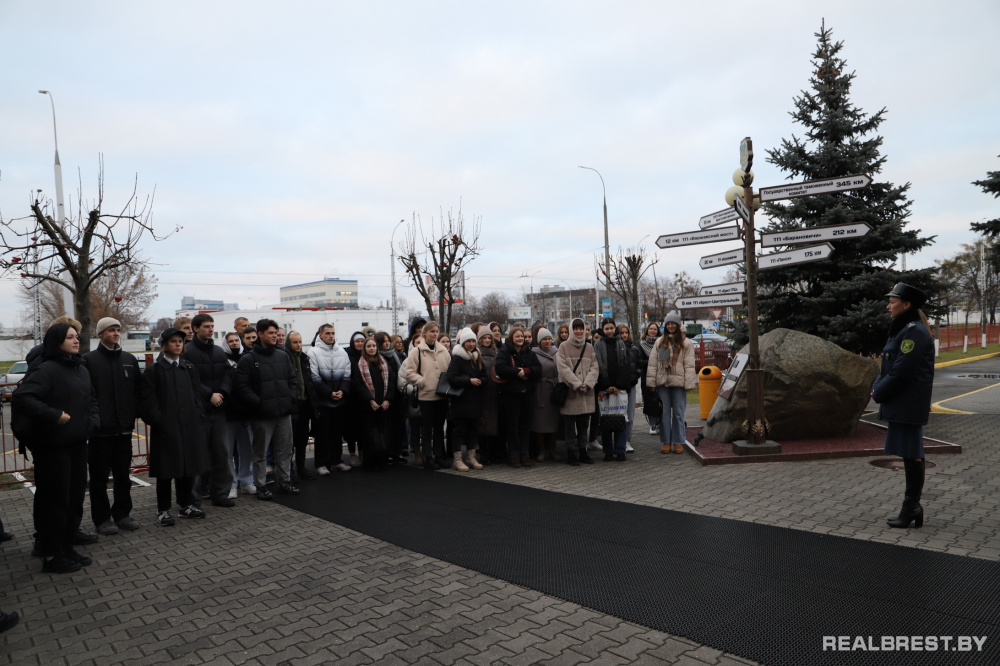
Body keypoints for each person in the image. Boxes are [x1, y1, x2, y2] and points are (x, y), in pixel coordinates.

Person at [13, 323, 98, 572]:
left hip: (78, 444)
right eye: (70, 337)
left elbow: (92, 399)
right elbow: (23, 397)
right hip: (53, 447)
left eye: (77, 336)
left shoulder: (80, 368)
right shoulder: (46, 369)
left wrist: (93, 420)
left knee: (74, 498)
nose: (76, 340)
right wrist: (54, 415)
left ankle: (67, 548)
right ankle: (51, 554)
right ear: (56, 341)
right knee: (56, 501)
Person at [872, 283, 934, 529]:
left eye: (892, 302)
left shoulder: (914, 332)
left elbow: (901, 372)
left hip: (908, 403)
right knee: (910, 453)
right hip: (903, 402)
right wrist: (877, 386)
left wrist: (878, 392)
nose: (888, 306)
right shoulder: (902, 329)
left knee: (913, 453)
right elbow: (888, 366)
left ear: (906, 305)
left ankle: (911, 508)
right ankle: (912, 508)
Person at [140, 328, 209, 527]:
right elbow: (148, 402)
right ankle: (163, 509)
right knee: (165, 470)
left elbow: (197, 395)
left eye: (180, 341)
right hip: (166, 429)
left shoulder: (188, 367)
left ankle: (185, 504)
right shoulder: (154, 370)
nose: (178, 344)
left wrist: (198, 416)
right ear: (164, 345)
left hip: (189, 426)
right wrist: (160, 421)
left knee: (187, 466)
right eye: (173, 341)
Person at [82, 317, 143, 535]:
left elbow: (137, 391)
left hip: (124, 430)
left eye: (118, 329)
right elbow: (86, 394)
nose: (116, 333)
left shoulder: (129, 359)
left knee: (123, 476)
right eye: (111, 330)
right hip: (100, 433)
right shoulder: (88, 360)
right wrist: (95, 420)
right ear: (100, 334)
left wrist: (132, 414)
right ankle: (102, 519)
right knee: (99, 479)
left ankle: (122, 514)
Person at [234, 319, 299, 499]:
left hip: (283, 413)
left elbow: (292, 380)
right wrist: (258, 403)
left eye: (276, 333)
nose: (275, 336)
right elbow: (242, 386)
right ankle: (260, 485)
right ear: (260, 334)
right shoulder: (248, 359)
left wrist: (289, 399)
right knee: (260, 453)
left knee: (285, 450)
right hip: (262, 415)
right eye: (271, 333)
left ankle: (285, 482)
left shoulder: (282, 356)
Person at [185, 314, 236, 508]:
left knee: (221, 455)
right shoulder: (187, 352)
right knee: (197, 456)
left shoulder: (218, 352)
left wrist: (221, 393)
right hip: (199, 412)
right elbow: (190, 380)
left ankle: (220, 494)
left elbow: (228, 374)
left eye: (212, 326)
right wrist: (209, 395)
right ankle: (193, 499)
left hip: (218, 411)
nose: (211, 329)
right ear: (195, 329)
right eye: (206, 326)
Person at [403, 322, 452, 470]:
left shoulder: (443, 351)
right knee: (426, 429)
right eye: (432, 331)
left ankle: (438, 456)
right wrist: (422, 381)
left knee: (439, 428)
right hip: (426, 396)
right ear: (425, 333)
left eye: (437, 331)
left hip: (442, 395)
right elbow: (409, 373)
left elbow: (450, 370)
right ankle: (428, 458)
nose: (435, 334)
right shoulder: (416, 351)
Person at [646, 312, 696, 454]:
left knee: (679, 413)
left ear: (678, 325)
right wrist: (652, 383)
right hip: (663, 382)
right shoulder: (660, 342)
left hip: (679, 383)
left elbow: (689, 365)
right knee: (665, 413)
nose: (670, 326)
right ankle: (666, 441)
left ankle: (678, 441)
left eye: (673, 323)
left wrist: (689, 383)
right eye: (668, 324)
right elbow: (653, 364)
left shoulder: (686, 343)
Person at [306, 324, 352, 475]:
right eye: (327, 333)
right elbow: (314, 377)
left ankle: (337, 460)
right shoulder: (313, 352)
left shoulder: (342, 352)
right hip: (322, 402)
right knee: (322, 434)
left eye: (332, 333)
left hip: (339, 401)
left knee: (337, 434)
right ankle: (321, 464)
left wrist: (342, 391)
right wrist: (329, 393)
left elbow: (347, 374)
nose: (331, 336)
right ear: (320, 335)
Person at [494, 324, 541, 467]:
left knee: (525, 425)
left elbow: (538, 369)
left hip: (527, 393)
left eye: (522, 336)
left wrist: (526, 371)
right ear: (511, 338)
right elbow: (500, 368)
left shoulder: (529, 352)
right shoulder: (504, 352)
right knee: (512, 426)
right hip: (511, 395)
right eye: (517, 336)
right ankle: (514, 455)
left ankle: (524, 454)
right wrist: (516, 372)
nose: (520, 338)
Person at [557, 318, 599, 466]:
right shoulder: (563, 346)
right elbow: (563, 369)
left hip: (586, 392)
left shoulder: (589, 347)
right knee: (569, 426)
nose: (579, 331)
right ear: (571, 330)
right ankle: (570, 453)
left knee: (584, 424)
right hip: (571, 392)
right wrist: (576, 384)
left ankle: (583, 452)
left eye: (581, 328)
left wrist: (588, 383)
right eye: (576, 328)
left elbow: (594, 367)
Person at [351, 337, 397, 469]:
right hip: (368, 406)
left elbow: (391, 382)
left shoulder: (383, 362)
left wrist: (388, 399)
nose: (372, 349)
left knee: (384, 432)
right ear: (365, 349)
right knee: (369, 435)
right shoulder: (360, 365)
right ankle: (370, 462)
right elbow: (359, 385)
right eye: (369, 346)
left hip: (383, 405)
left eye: (374, 346)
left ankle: (382, 460)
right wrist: (370, 400)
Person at [446, 328, 488, 471]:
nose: (471, 344)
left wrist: (481, 381)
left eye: (473, 341)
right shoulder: (457, 358)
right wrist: (468, 380)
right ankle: (457, 459)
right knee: (459, 430)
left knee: (472, 430)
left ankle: (471, 457)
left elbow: (484, 375)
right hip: (461, 401)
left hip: (475, 401)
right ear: (462, 343)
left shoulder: (477, 356)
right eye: (468, 341)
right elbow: (451, 378)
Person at [285, 331, 319, 480]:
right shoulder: (284, 358)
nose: (298, 345)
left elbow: (308, 380)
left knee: (303, 438)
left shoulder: (304, 358)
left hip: (305, 402)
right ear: (289, 343)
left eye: (299, 342)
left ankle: (301, 467)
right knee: (290, 440)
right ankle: (289, 470)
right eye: (295, 342)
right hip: (292, 404)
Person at [375, 331, 406, 463]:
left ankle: (397, 452)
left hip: (397, 396)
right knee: (387, 427)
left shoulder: (394, 355)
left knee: (398, 425)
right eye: (384, 341)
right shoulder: (377, 357)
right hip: (385, 396)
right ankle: (387, 453)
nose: (387, 343)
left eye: (388, 341)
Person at [530, 328, 560, 462]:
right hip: (540, 391)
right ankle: (541, 450)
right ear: (539, 341)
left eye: (549, 339)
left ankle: (552, 449)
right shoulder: (534, 353)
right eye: (544, 339)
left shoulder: (557, 352)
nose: (547, 341)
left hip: (554, 390)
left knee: (554, 421)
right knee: (540, 422)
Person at [476, 328, 502, 464]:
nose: (487, 340)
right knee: (482, 424)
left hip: (495, 393)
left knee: (494, 424)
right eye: (484, 338)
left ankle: (493, 453)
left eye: (489, 338)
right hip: (481, 393)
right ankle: (483, 454)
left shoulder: (496, 353)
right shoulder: (476, 354)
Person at [344, 332, 367, 467]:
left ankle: (363, 452)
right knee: (351, 428)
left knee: (364, 427)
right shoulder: (347, 355)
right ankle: (353, 453)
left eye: (362, 341)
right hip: (351, 397)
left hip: (365, 398)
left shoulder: (367, 355)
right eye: (357, 341)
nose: (360, 344)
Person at [618, 324, 641, 453]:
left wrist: (635, 378)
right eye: (621, 333)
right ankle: (618, 440)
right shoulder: (615, 349)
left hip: (631, 386)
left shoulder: (634, 350)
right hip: (619, 388)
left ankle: (627, 440)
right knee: (619, 415)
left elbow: (638, 367)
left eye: (626, 332)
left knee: (630, 415)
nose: (624, 335)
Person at [638, 322, 662, 437]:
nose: (652, 331)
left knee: (661, 401)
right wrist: (652, 362)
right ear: (647, 330)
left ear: (658, 331)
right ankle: (653, 424)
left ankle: (661, 424)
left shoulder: (662, 344)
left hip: (660, 377)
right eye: (651, 329)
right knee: (650, 402)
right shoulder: (642, 345)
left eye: (655, 329)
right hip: (647, 378)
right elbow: (639, 361)